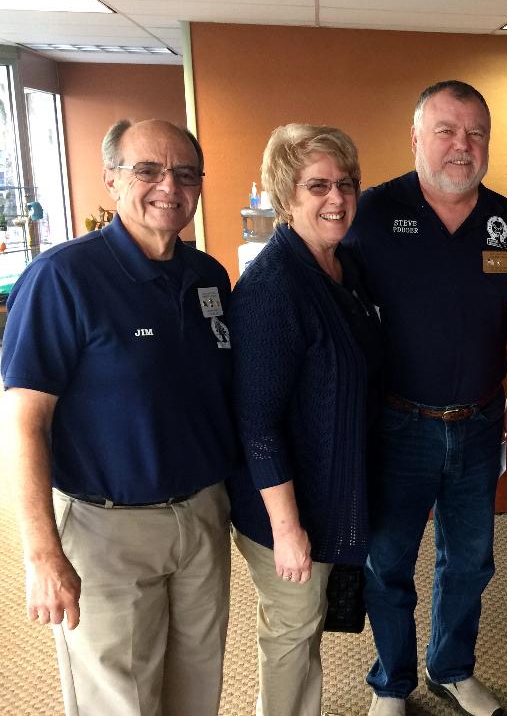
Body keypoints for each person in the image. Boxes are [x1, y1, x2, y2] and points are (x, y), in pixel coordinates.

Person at [1, 119, 238, 716]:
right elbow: (23, 423)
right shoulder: (63, 278)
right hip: (109, 532)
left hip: (202, 519)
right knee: (121, 701)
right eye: (148, 170)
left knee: (197, 690)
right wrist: (42, 555)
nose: (169, 186)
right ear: (110, 180)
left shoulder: (208, 276)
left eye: (185, 173)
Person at [344, 80, 507, 716]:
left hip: (482, 422)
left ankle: (451, 667)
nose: (463, 145)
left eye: (476, 133)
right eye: (447, 131)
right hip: (399, 424)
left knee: (471, 562)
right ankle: (392, 683)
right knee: (389, 561)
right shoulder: (371, 214)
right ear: (416, 138)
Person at [226, 124, 380, 716]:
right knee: (291, 634)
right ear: (286, 196)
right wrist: (287, 531)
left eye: (345, 184)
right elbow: (257, 423)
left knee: (308, 625)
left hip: (327, 490)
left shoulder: (343, 270)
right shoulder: (273, 287)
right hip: (283, 507)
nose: (336, 199)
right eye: (318, 185)